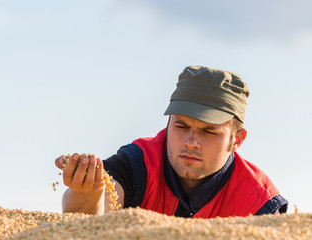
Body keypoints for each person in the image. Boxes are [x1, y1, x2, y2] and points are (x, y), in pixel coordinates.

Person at [55, 65, 288, 218]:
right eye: (181, 126)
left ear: (237, 140)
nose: (191, 142)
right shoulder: (139, 163)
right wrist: (88, 192)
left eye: (209, 131)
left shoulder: (258, 203)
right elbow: (89, 220)